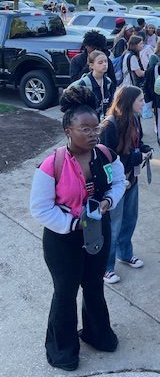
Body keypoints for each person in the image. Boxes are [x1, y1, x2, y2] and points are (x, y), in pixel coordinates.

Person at [30, 87, 125, 371]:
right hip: (63, 240)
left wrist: (109, 201)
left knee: (94, 285)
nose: (94, 133)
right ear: (68, 130)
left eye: (96, 127)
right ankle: (63, 349)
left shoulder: (106, 155)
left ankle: (98, 335)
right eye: (85, 128)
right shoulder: (52, 165)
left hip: (98, 232)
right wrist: (72, 224)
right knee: (66, 291)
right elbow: (40, 208)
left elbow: (120, 182)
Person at [100, 86, 152, 284]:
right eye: (140, 99)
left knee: (130, 218)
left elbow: (136, 144)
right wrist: (138, 156)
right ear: (129, 102)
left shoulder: (135, 118)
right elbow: (109, 158)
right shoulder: (109, 125)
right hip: (115, 185)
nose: (143, 102)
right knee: (113, 225)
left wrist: (144, 149)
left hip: (132, 178)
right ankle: (106, 267)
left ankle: (125, 253)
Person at [68, 50, 116, 119]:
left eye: (106, 61)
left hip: (104, 122)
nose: (104, 64)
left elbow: (111, 103)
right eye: (100, 62)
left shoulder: (108, 82)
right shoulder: (83, 84)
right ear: (91, 65)